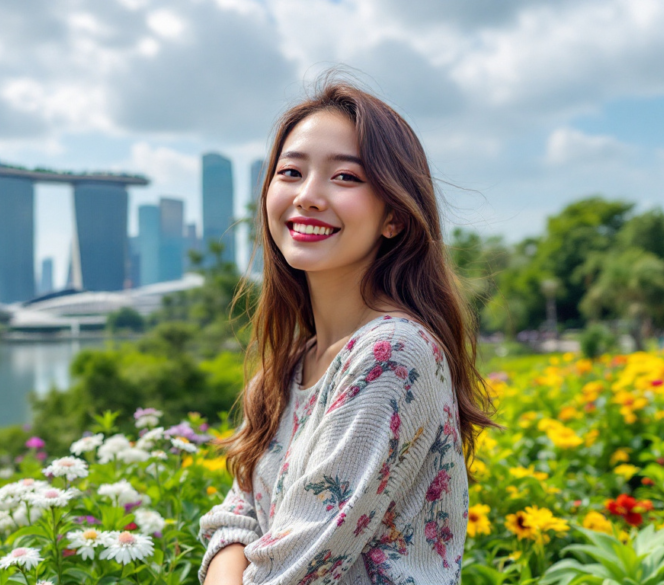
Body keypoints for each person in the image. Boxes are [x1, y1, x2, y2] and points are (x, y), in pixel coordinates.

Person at [197, 76, 497, 585]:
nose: (308, 196)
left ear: (395, 217)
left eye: (346, 178)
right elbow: (235, 519)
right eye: (290, 172)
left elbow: (292, 572)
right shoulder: (290, 364)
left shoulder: (391, 354)